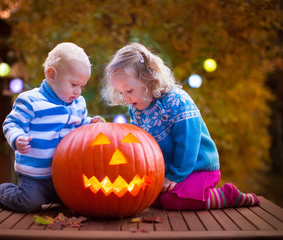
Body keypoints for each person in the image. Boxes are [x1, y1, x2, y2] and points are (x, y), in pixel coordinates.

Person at [101, 42, 260, 210]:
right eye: (121, 93)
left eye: (129, 90)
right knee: (147, 197)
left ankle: (227, 196)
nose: (125, 98)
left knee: (173, 201)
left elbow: (188, 144)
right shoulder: (136, 109)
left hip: (197, 168)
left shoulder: (177, 101)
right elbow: (140, 146)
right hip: (169, 171)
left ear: (148, 79)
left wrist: (174, 176)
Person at [0, 42, 104, 212]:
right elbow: (12, 123)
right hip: (35, 175)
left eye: (82, 86)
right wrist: (17, 138)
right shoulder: (30, 101)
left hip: (66, 174)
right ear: (51, 75)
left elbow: (80, 127)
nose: (78, 92)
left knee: (79, 201)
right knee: (27, 203)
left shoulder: (78, 104)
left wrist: (91, 124)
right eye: (74, 85)